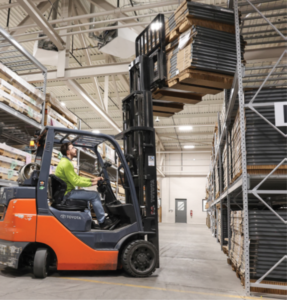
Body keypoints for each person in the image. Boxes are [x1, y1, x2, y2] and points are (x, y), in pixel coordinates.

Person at [55, 142, 115, 229]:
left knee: (87, 197)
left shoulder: (65, 162)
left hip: (66, 192)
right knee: (94, 195)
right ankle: (102, 222)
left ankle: (89, 222)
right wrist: (93, 183)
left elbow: (77, 178)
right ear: (68, 152)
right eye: (73, 148)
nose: (75, 149)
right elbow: (76, 181)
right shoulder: (66, 163)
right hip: (67, 193)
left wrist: (93, 179)